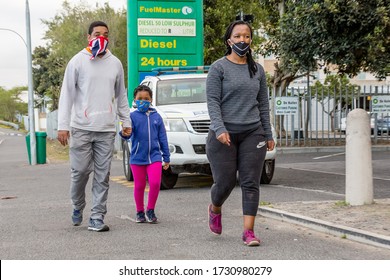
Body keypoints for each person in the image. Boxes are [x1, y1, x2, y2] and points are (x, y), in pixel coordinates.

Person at [57, 21, 132, 232]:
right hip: (80, 127)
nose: (102, 37)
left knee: (102, 175)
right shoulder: (77, 62)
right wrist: (63, 126)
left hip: (106, 129)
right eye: (97, 33)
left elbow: (121, 95)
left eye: (105, 34)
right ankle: (78, 205)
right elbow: (67, 95)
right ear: (88, 37)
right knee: (80, 172)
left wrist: (125, 121)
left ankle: (97, 216)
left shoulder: (115, 63)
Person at [206, 20, 275, 246]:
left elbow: (263, 104)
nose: (242, 40)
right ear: (229, 40)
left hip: (252, 132)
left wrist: (268, 133)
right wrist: (219, 128)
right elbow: (213, 102)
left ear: (251, 40)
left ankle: (248, 232)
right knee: (224, 183)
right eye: (237, 36)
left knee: (250, 182)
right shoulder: (219, 68)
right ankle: (215, 207)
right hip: (223, 135)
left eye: (246, 36)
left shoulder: (257, 70)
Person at [120, 85, 170, 223]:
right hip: (137, 157)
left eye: (146, 99)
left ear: (151, 100)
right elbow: (127, 134)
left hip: (154, 157)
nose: (143, 101)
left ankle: (150, 210)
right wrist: (124, 134)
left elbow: (163, 138)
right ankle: (140, 212)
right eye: (140, 99)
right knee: (140, 185)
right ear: (135, 101)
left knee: (155, 183)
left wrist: (166, 156)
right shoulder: (132, 117)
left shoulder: (157, 117)